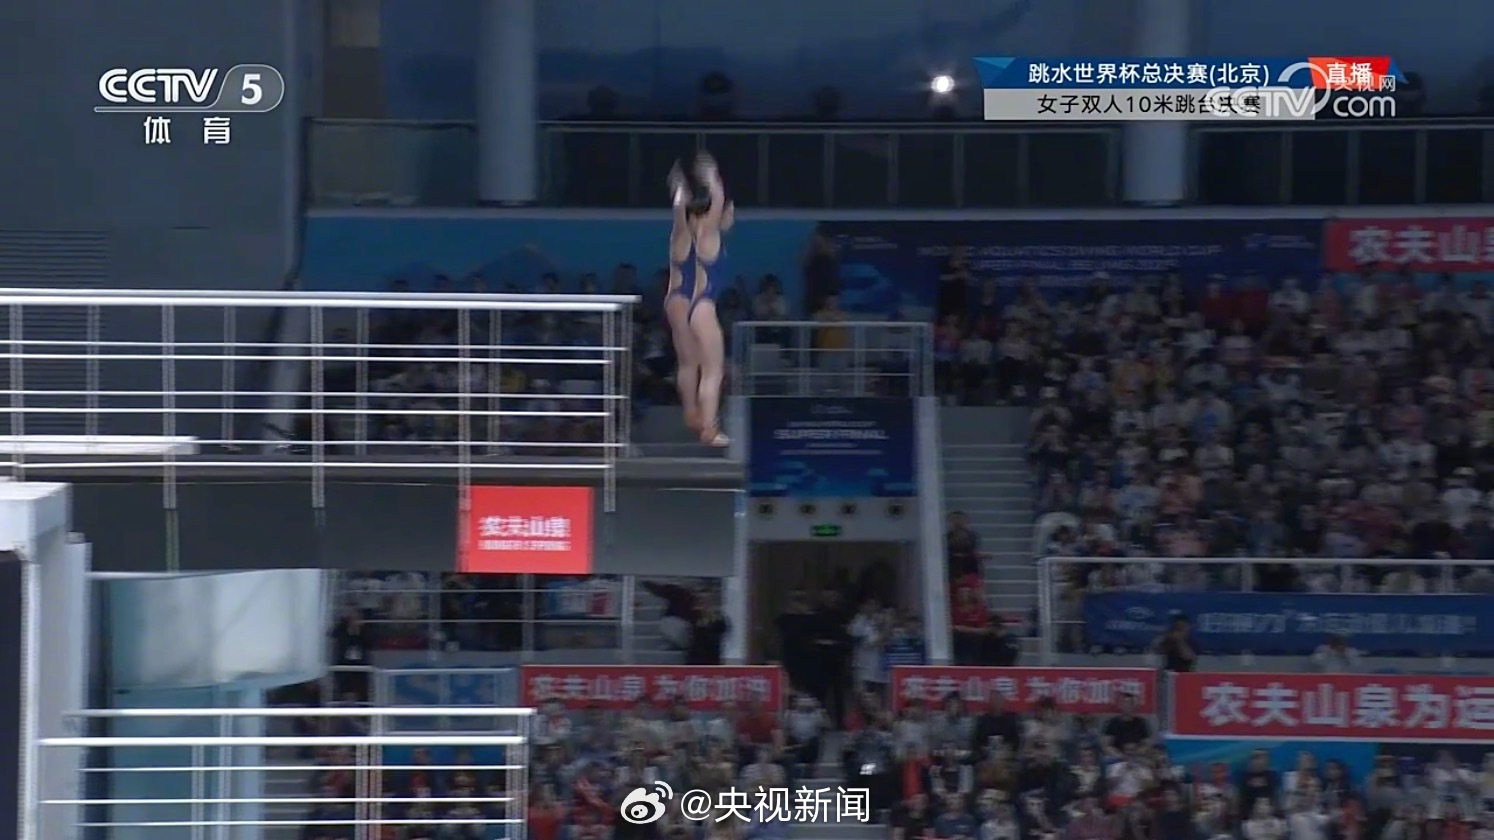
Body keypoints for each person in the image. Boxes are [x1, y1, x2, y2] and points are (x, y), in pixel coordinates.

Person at [682, 152, 733, 446]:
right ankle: (710, 429)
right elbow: (718, 199)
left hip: (698, 306)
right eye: (729, 212)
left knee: (710, 371)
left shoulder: (699, 233)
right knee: (714, 371)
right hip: (703, 307)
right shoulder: (706, 232)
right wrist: (712, 176)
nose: (730, 216)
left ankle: (705, 422)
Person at [664, 161, 704, 434]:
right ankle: (690, 410)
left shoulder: (702, 239)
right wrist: (678, 188)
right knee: (689, 361)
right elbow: (679, 210)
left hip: (693, 300)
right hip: (681, 299)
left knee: (700, 361)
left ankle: (698, 408)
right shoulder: (682, 236)